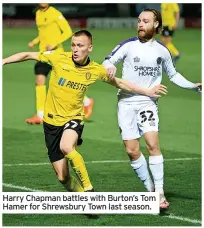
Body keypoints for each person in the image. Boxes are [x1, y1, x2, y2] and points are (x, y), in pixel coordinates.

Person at [3, 30, 167, 193]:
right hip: (51, 122)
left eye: (80, 45)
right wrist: (3, 61)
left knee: (67, 147)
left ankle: (89, 190)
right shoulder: (58, 57)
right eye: (73, 45)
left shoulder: (96, 70)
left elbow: (121, 84)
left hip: (73, 119)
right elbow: (27, 55)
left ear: (89, 48)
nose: (75, 49)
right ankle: (83, 199)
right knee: (63, 177)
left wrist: (147, 91)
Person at [103, 9, 201, 209]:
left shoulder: (162, 51)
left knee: (152, 144)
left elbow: (173, 75)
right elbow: (107, 60)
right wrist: (109, 66)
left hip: (148, 103)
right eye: (139, 21)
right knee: (132, 151)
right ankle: (149, 189)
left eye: (145, 21)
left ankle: (159, 192)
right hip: (126, 103)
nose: (140, 24)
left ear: (156, 25)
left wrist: (193, 85)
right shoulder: (128, 45)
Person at [27, 3, 94, 125]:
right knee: (40, 81)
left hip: (56, 53)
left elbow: (67, 31)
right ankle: (40, 114)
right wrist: (34, 41)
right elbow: (43, 33)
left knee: (64, 85)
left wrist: (54, 43)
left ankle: (86, 101)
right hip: (43, 53)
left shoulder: (55, 13)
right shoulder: (38, 13)